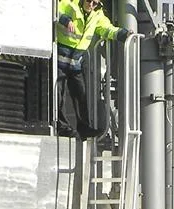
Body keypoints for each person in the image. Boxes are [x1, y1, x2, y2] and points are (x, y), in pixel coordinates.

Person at [55, 0, 130, 139]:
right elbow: (54, 11)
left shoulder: (97, 14)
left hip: (75, 60)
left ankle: (84, 128)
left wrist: (123, 34)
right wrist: (65, 20)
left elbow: (107, 29)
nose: (91, 5)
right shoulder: (69, 4)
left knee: (81, 95)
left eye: (95, 3)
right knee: (59, 94)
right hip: (60, 57)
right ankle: (62, 127)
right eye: (89, 1)